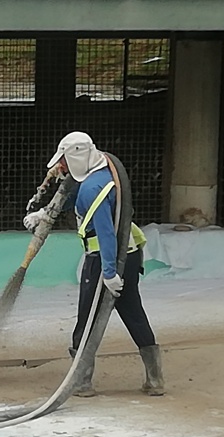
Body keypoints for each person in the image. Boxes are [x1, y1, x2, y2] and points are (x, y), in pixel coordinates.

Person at [24, 131, 165, 397]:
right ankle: (155, 379)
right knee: (133, 311)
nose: (61, 167)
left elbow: (106, 233)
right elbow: (74, 197)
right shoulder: (102, 170)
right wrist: (45, 212)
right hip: (130, 253)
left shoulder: (94, 188)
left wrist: (110, 272)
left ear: (76, 158)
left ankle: (82, 381)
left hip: (104, 257)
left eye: (64, 161)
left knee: (87, 318)